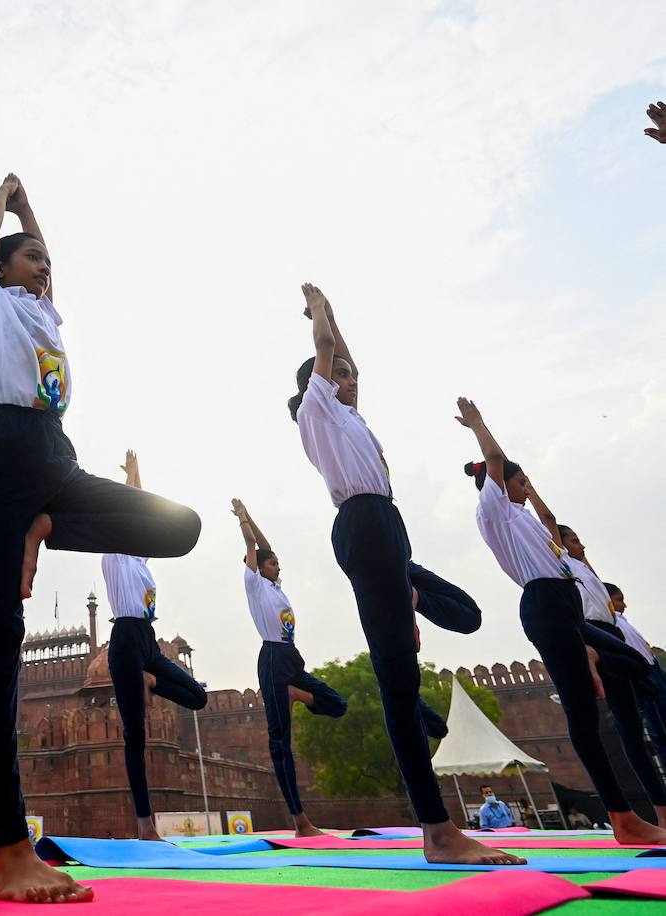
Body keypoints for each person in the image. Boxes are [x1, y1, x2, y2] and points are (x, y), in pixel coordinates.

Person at [0, 174, 201, 902]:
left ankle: (48, 525)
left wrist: (37, 223)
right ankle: (6, 850)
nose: (42, 266)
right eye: (29, 258)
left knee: (176, 525)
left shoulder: (43, 315)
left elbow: (47, 261)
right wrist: (5, 208)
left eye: (46, 261)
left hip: (54, 455)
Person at [289, 285, 518, 866]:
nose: (350, 377)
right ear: (317, 381)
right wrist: (320, 314)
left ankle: (407, 596)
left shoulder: (350, 416)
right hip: (363, 525)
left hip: (387, 527)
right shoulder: (317, 411)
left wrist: (337, 320)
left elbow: (349, 361)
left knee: (467, 614)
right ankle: (438, 830)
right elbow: (322, 353)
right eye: (337, 372)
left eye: (349, 373)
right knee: (399, 682)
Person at [455, 397, 666, 845]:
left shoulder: (527, 520)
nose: (527, 486)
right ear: (501, 483)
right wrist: (479, 424)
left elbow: (547, 519)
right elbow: (493, 460)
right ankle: (623, 817)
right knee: (582, 713)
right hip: (545, 607)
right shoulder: (495, 511)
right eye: (521, 480)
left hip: (567, 609)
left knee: (636, 665)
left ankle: (590, 655)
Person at [101, 451, 208, 842]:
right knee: (136, 735)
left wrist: (136, 473)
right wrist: (129, 478)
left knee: (197, 697)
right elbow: (128, 510)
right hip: (125, 639)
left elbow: (141, 510)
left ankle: (149, 681)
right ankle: (145, 824)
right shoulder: (114, 555)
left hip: (148, 643)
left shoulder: (143, 559)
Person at [231, 498, 345, 837]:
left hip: (292, 660)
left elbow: (265, 546)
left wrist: (251, 513)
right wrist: (242, 522)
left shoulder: (275, 586)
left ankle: (296, 695)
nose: (279, 567)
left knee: (338, 704)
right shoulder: (254, 585)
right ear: (260, 567)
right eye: (274, 563)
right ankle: (301, 822)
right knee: (281, 743)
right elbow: (254, 546)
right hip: (272, 660)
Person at [558, 527, 666, 827]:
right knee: (642, 734)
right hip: (596, 635)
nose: (581, 545)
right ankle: (653, 812)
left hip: (621, 643)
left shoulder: (588, 576)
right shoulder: (564, 568)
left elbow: (600, 584)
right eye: (574, 540)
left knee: (638, 734)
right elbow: (549, 520)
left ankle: (661, 809)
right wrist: (530, 484)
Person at [604, 583, 666, 771]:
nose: (624, 605)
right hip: (644, 675)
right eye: (619, 600)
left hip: (654, 669)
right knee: (661, 732)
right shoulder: (608, 621)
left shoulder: (621, 620)